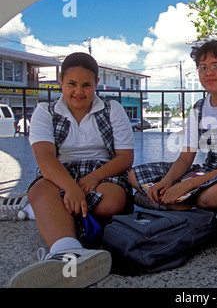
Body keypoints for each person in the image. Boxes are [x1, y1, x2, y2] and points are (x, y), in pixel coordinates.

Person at [8, 52, 134, 288]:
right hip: (59, 172)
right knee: (41, 191)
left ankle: (41, 211)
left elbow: (125, 157)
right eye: (72, 84)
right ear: (60, 81)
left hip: (102, 171)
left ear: (96, 83)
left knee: (112, 202)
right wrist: (71, 188)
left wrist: (95, 176)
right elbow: (45, 159)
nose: (79, 92)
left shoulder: (112, 109)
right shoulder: (45, 111)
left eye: (87, 85)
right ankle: (67, 251)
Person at [129, 40, 217, 219]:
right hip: (208, 171)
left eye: (216, 65)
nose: (209, 73)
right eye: (202, 67)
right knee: (133, 175)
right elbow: (185, 157)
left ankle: (172, 204)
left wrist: (188, 185)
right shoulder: (198, 109)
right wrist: (166, 181)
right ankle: (183, 205)